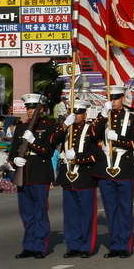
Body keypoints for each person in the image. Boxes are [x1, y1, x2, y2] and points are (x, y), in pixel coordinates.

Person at [92, 86, 134, 258]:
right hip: (106, 169)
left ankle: (125, 246)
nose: (113, 101)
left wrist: (119, 139)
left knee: (125, 209)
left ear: (122, 98)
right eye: (110, 98)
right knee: (110, 210)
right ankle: (115, 244)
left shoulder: (133, 118)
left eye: (116, 97)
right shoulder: (105, 117)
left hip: (124, 168)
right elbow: (92, 135)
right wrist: (102, 115)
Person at [52, 100, 102, 258]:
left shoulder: (90, 130)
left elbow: (97, 155)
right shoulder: (66, 129)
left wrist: (79, 157)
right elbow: (52, 140)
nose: (76, 115)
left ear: (85, 114)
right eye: (73, 112)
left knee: (86, 214)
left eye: (79, 113)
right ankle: (73, 245)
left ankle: (86, 246)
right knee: (71, 215)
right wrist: (64, 125)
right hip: (68, 178)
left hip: (85, 178)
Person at [10, 94, 57, 259]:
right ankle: (29, 246)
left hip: (40, 174)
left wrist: (34, 142)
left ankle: (40, 246)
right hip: (23, 175)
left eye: (34, 108)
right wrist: (14, 159)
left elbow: (48, 152)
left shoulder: (49, 127)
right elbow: (13, 150)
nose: (30, 112)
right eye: (28, 108)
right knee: (26, 212)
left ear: (42, 110)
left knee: (40, 211)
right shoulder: (21, 128)